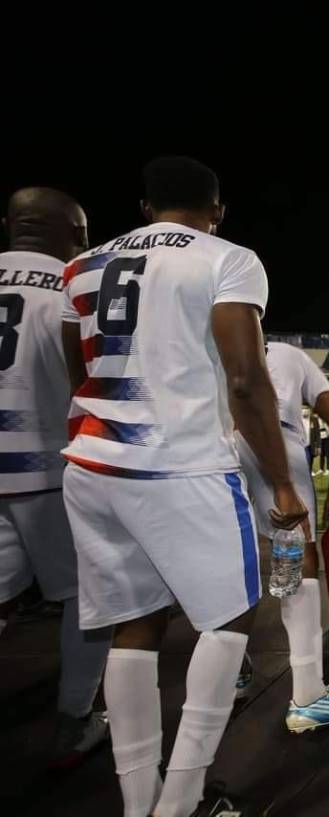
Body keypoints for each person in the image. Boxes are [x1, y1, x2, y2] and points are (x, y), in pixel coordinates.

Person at [60, 156, 309, 817]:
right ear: (217, 209)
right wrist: (283, 484)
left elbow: (75, 363)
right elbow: (247, 376)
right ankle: (183, 799)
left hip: (93, 465)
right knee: (231, 616)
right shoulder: (227, 257)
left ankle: (140, 802)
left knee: (133, 625)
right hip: (180, 465)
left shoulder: (83, 265)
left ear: (145, 207)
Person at [0, 187, 111, 767]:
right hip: (46, 465)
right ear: (76, 235)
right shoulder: (77, 282)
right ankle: (74, 717)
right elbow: (91, 378)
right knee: (87, 596)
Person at [234, 340, 329, 732]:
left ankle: (231, 664)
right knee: (298, 553)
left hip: (215, 444)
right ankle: (308, 695)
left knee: (227, 556)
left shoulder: (210, 344)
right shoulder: (291, 355)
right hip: (276, 440)